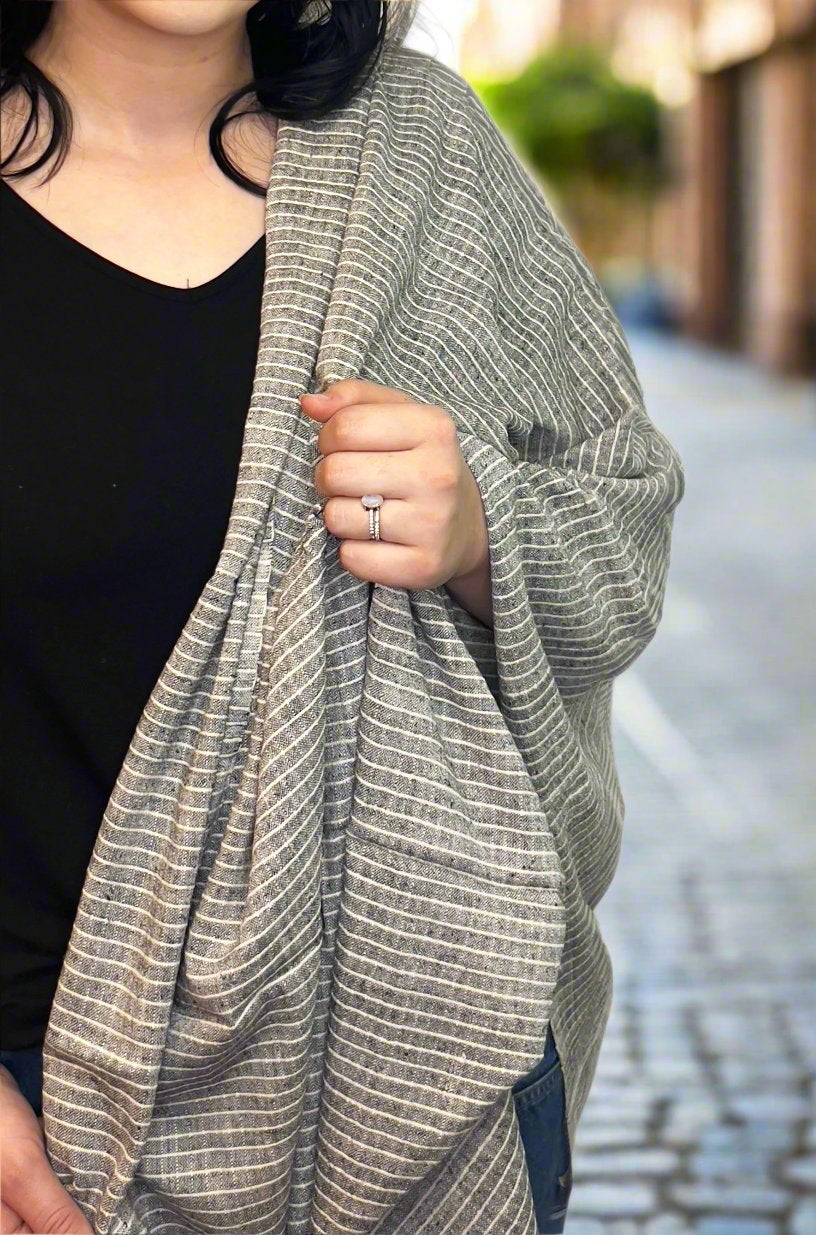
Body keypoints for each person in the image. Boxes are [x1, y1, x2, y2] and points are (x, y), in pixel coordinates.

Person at [0, 3, 615, 1232]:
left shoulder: (423, 151)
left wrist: (486, 528)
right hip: (42, 1117)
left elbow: (623, 495)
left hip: (431, 1078)